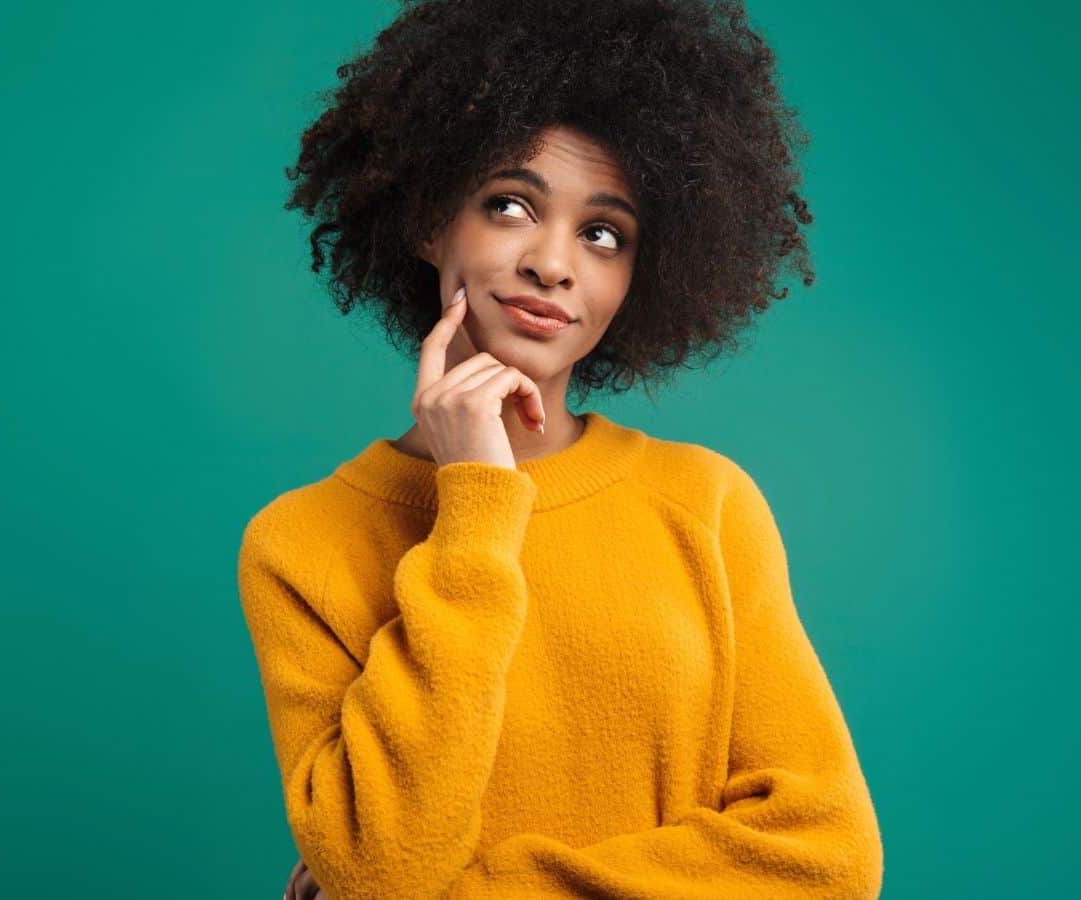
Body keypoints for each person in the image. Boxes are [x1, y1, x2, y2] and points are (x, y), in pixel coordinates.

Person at [239, 1, 884, 897]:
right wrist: (475, 507)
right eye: (510, 205)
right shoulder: (301, 544)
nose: (553, 263)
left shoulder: (705, 503)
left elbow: (826, 857)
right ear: (429, 219)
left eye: (602, 233)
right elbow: (382, 863)